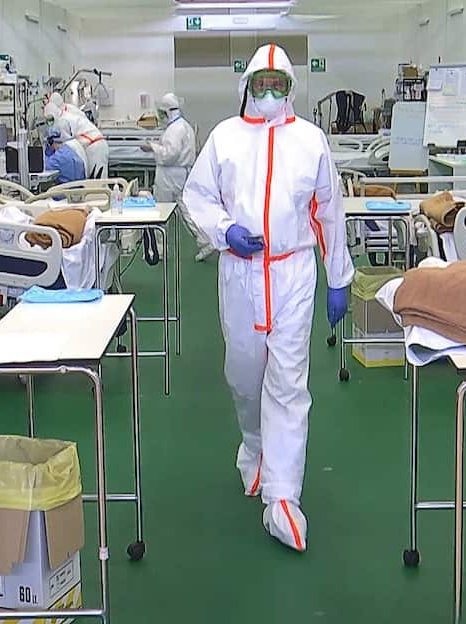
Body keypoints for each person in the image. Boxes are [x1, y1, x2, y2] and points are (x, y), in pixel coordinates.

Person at [184, 43, 355, 552]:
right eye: (260, 84)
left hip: (293, 273)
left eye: (278, 85)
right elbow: (196, 196)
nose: (269, 93)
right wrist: (223, 230)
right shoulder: (224, 138)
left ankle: (283, 497)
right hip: (240, 273)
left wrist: (338, 276)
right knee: (243, 374)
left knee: (287, 383)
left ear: (291, 89)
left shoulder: (311, 141)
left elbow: (329, 210)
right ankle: (254, 445)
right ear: (247, 87)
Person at [140, 94, 212, 259]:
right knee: (185, 209)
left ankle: (159, 248)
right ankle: (205, 240)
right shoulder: (183, 126)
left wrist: (152, 147)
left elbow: (169, 155)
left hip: (169, 174)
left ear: (166, 111)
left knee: (160, 210)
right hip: (181, 174)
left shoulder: (175, 130)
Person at [43, 92, 109, 179]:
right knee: (94, 181)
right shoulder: (69, 110)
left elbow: (60, 143)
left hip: (95, 147)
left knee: (98, 182)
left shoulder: (63, 121)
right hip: (92, 143)